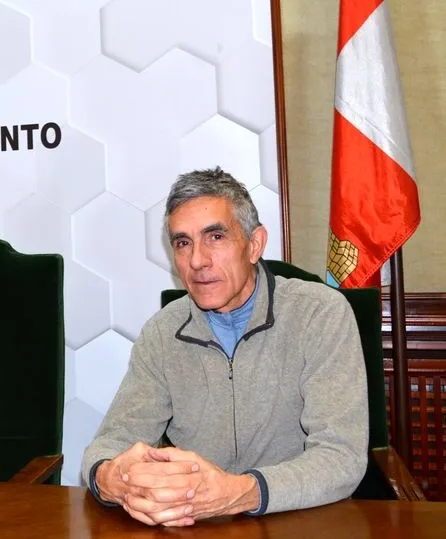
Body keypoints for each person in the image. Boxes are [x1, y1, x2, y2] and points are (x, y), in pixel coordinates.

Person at [82, 167, 368, 526]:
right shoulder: (162, 332)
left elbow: (342, 457)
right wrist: (111, 478)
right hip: (197, 524)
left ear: (255, 244)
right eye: (182, 242)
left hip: (299, 520)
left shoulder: (319, 314)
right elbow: (112, 442)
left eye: (215, 237)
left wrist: (239, 492)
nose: (197, 260)